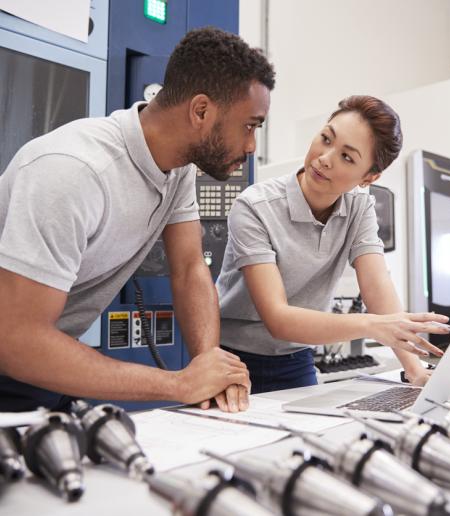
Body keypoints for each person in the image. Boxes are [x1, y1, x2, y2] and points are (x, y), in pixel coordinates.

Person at [0, 28, 275, 413]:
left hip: (37, 364)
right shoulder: (74, 173)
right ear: (200, 111)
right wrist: (179, 384)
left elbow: (190, 268)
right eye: (250, 125)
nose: (251, 147)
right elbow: (17, 341)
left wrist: (208, 367)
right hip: (16, 357)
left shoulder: (176, 167)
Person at [216, 95, 450, 394]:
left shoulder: (359, 205)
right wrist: (371, 325)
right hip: (232, 358)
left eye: (347, 157)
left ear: (369, 177)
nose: (325, 157)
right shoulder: (255, 206)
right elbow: (277, 318)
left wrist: (414, 369)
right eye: (326, 138)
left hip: (296, 358)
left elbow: (377, 284)